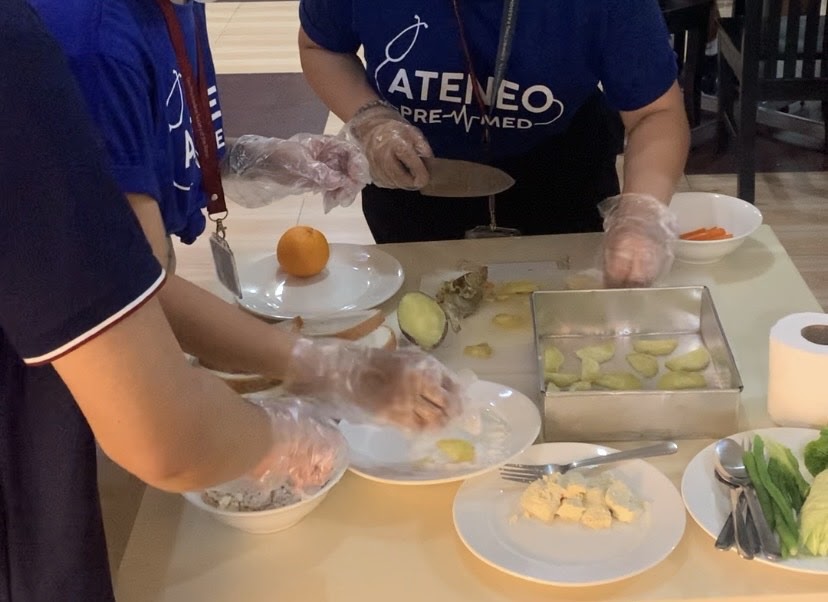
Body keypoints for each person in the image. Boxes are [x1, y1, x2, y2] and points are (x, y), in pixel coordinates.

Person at [1, 3, 463, 599]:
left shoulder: (165, 11)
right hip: (47, 386)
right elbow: (133, 302)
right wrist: (305, 396)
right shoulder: (80, 44)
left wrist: (246, 160)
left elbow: (146, 153)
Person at [25, 0, 386, 383]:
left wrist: (269, 160)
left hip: (137, 277)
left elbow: (158, 136)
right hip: (82, 342)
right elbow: (134, 292)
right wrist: (322, 367)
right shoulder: (95, 43)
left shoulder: (173, 9)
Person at [298, 0, 692, 287]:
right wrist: (370, 118)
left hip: (559, 180)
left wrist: (641, 214)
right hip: (415, 179)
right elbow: (322, 47)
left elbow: (655, 114)